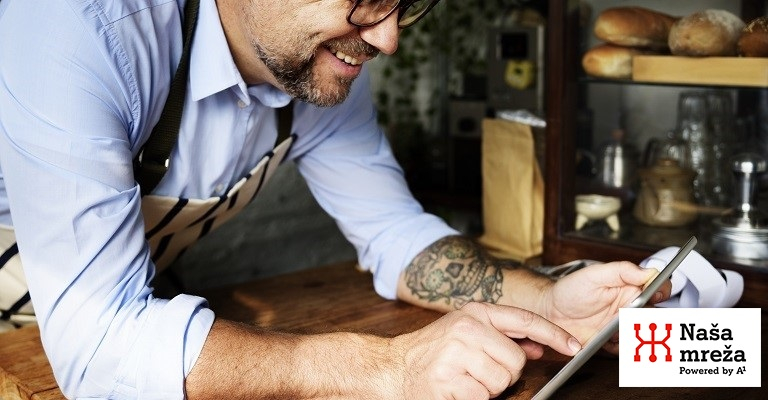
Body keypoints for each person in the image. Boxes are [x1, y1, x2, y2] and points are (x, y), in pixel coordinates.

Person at [0, 1, 670, 399]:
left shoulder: (318, 66)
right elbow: (98, 349)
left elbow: (394, 233)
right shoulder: (83, 25)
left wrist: (544, 299)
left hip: (117, 302)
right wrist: (388, 367)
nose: (388, 37)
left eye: (403, 4)